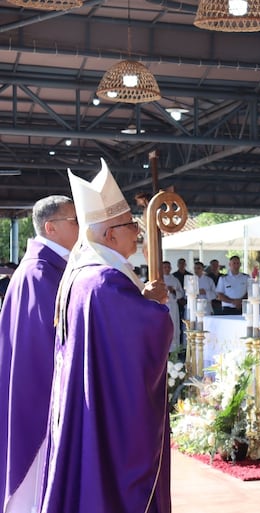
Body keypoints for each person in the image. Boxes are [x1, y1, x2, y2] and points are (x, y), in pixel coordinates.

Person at [41, 160, 172, 513]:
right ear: (110, 235)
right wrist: (156, 308)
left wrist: (143, 301)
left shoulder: (89, 274)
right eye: (131, 225)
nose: (138, 232)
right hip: (107, 412)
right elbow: (141, 333)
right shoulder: (104, 281)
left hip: (89, 401)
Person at [0, 195, 79, 512]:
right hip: (40, 399)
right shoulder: (41, 274)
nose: (82, 228)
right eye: (75, 221)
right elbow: (58, 339)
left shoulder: (45, 269)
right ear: (51, 227)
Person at [162, 260, 184, 351]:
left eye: (168, 267)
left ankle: (174, 350)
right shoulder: (158, 278)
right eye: (165, 267)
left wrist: (173, 291)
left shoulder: (175, 280)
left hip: (173, 307)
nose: (167, 269)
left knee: (174, 327)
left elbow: (181, 293)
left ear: (171, 268)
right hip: (162, 306)